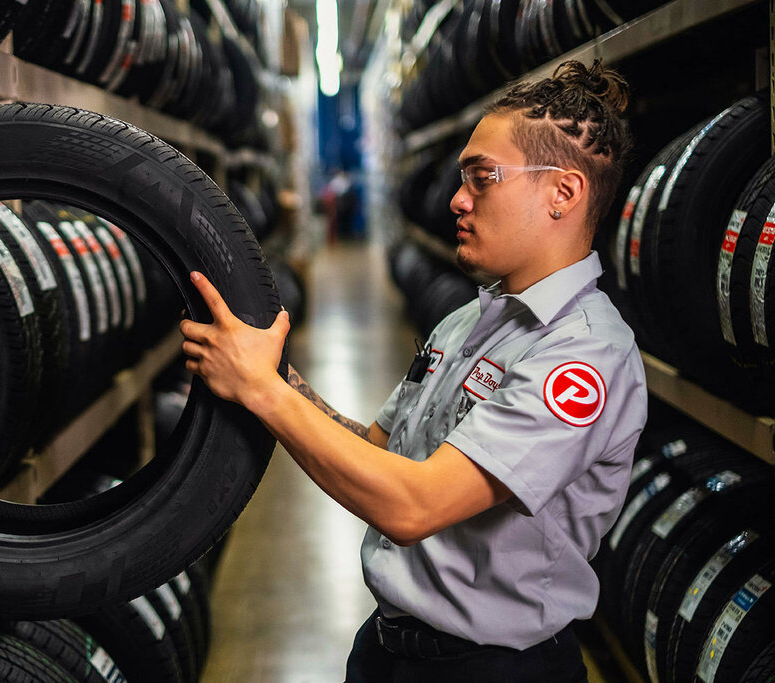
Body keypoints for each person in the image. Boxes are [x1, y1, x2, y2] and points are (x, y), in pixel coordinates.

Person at [179, 59, 648, 682]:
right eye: (462, 178)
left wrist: (264, 393)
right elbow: (376, 450)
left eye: (484, 178)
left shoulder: (584, 358)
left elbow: (412, 505)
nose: (457, 199)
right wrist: (281, 380)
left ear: (563, 192)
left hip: (492, 671)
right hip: (388, 650)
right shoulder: (467, 324)